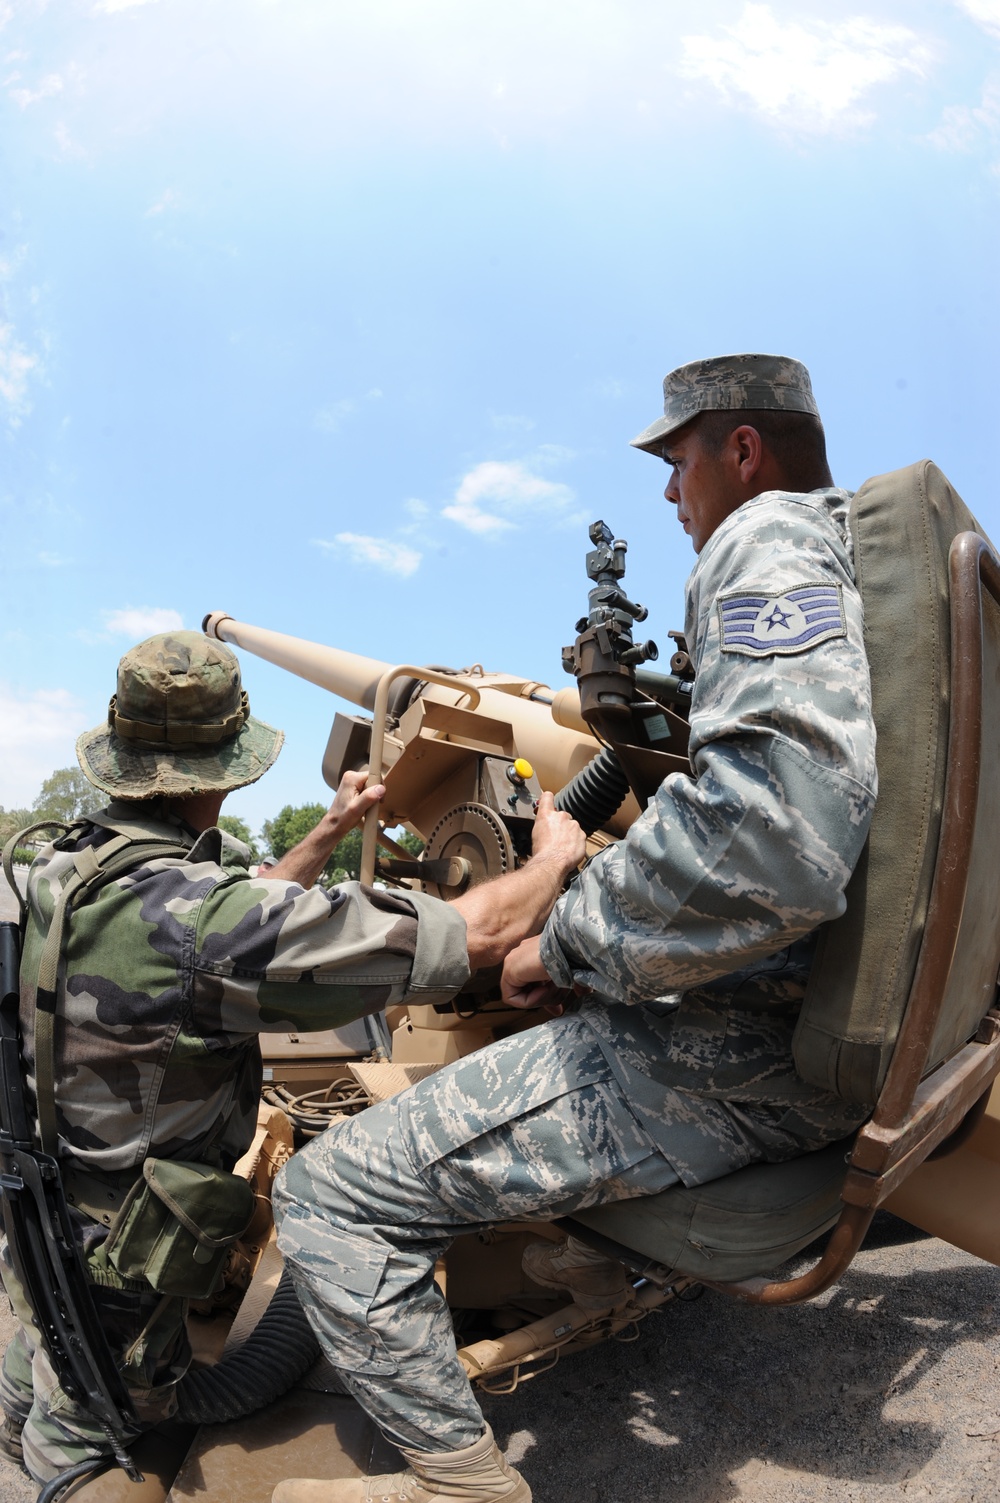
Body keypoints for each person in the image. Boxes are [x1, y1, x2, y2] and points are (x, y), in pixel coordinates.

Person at [268, 353, 879, 1503]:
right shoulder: (873, 565)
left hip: (739, 1054)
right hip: (833, 1018)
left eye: (678, 460)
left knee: (329, 1196)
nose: (669, 495)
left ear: (739, 450)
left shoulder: (769, 541)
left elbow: (769, 840)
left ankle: (461, 1485)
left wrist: (568, 935)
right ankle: (576, 1251)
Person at [0, 629, 584, 1486]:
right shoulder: (205, 919)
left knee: (41, 1343)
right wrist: (552, 860)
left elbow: (217, 924)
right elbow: (481, 930)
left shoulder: (64, 863)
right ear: (231, 768)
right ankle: (60, 1448)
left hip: (46, 1209)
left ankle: (24, 1397)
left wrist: (331, 831)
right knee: (98, 1417)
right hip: (125, 1264)